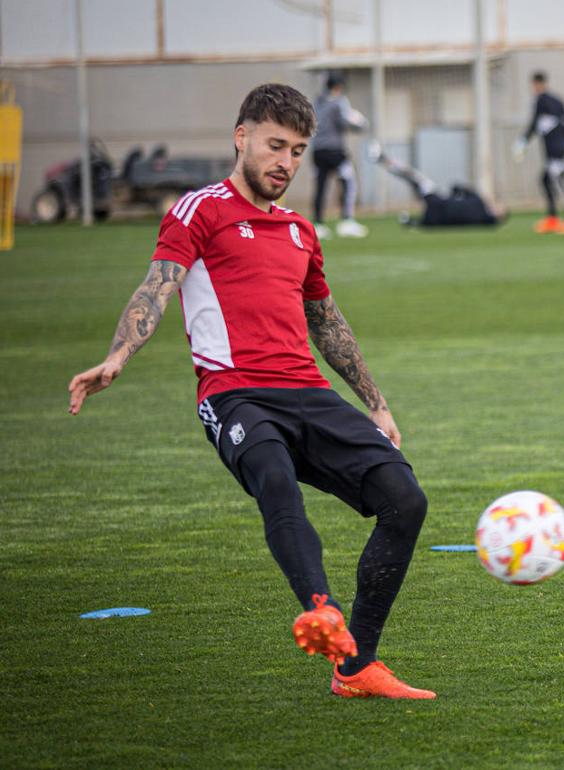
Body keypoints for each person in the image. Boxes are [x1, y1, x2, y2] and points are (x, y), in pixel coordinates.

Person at [67, 84, 435, 700]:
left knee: (405, 498)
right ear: (241, 138)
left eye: (295, 150)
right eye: (274, 145)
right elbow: (157, 286)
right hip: (235, 395)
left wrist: (375, 401)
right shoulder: (198, 210)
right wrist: (118, 355)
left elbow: (327, 321)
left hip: (309, 392)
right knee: (273, 475)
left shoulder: (298, 230)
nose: (285, 162)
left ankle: (358, 667)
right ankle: (322, 609)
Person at [370, 144, 507, 227]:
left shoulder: (480, 202)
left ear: (498, 215)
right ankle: (408, 220)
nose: (495, 205)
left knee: (414, 176)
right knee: (413, 179)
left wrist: (455, 193)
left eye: (498, 208)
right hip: (436, 214)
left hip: (438, 201)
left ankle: (382, 158)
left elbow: (457, 187)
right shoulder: (483, 221)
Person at [513, 71, 564, 235]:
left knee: (561, 182)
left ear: (537, 84)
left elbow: (535, 123)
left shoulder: (543, 100)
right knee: (545, 180)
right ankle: (552, 219)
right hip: (555, 150)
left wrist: (523, 141)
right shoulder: (557, 101)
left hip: (556, 151)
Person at [312, 72, 368, 239]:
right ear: (338, 87)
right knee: (348, 182)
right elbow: (346, 121)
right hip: (335, 151)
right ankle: (347, 221)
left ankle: (318, 224)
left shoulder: (317, 102)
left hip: (317, 151)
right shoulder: (339, 101)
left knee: (321, 187)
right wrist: (362, 124)